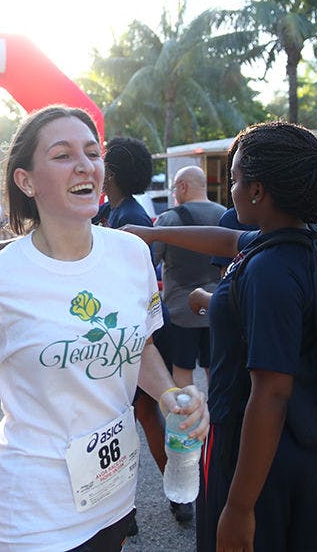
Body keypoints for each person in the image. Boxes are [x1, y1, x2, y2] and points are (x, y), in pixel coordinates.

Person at [0, 106, 209, 552]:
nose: (85, 165)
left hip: (114, 492)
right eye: (63, 155)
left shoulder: (131, 254)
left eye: (92, 153)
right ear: (27, 182)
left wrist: (167, 395)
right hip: (34, 510)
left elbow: (138, 344)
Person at [122, 120, 317, 551]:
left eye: (235, 180)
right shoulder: (304, 243)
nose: (232, 190)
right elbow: (228, 241)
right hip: (312, 450)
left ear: (258, 191)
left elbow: (271, 394)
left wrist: (240, 508)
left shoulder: (270, 272)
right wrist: (152, 233)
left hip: (260, 457)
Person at [102, 135, 194, 529]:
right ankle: (175, 497)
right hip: (129, 331)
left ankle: (129, 507)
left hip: (137, 334)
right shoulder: (112, 210)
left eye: (99, 161)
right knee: (143, 413)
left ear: (112, 173)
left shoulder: (130, 218)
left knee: (128, 418)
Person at [153, 166, 226, 390]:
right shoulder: (226, 216)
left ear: (183, 186)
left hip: (181, 312)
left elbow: (151, 261)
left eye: (175, 188)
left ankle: (186, 422)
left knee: (182, 372)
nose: (175, 193)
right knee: (216, 370)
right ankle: (216, 421)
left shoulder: (169, 220)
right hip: (217, 308)